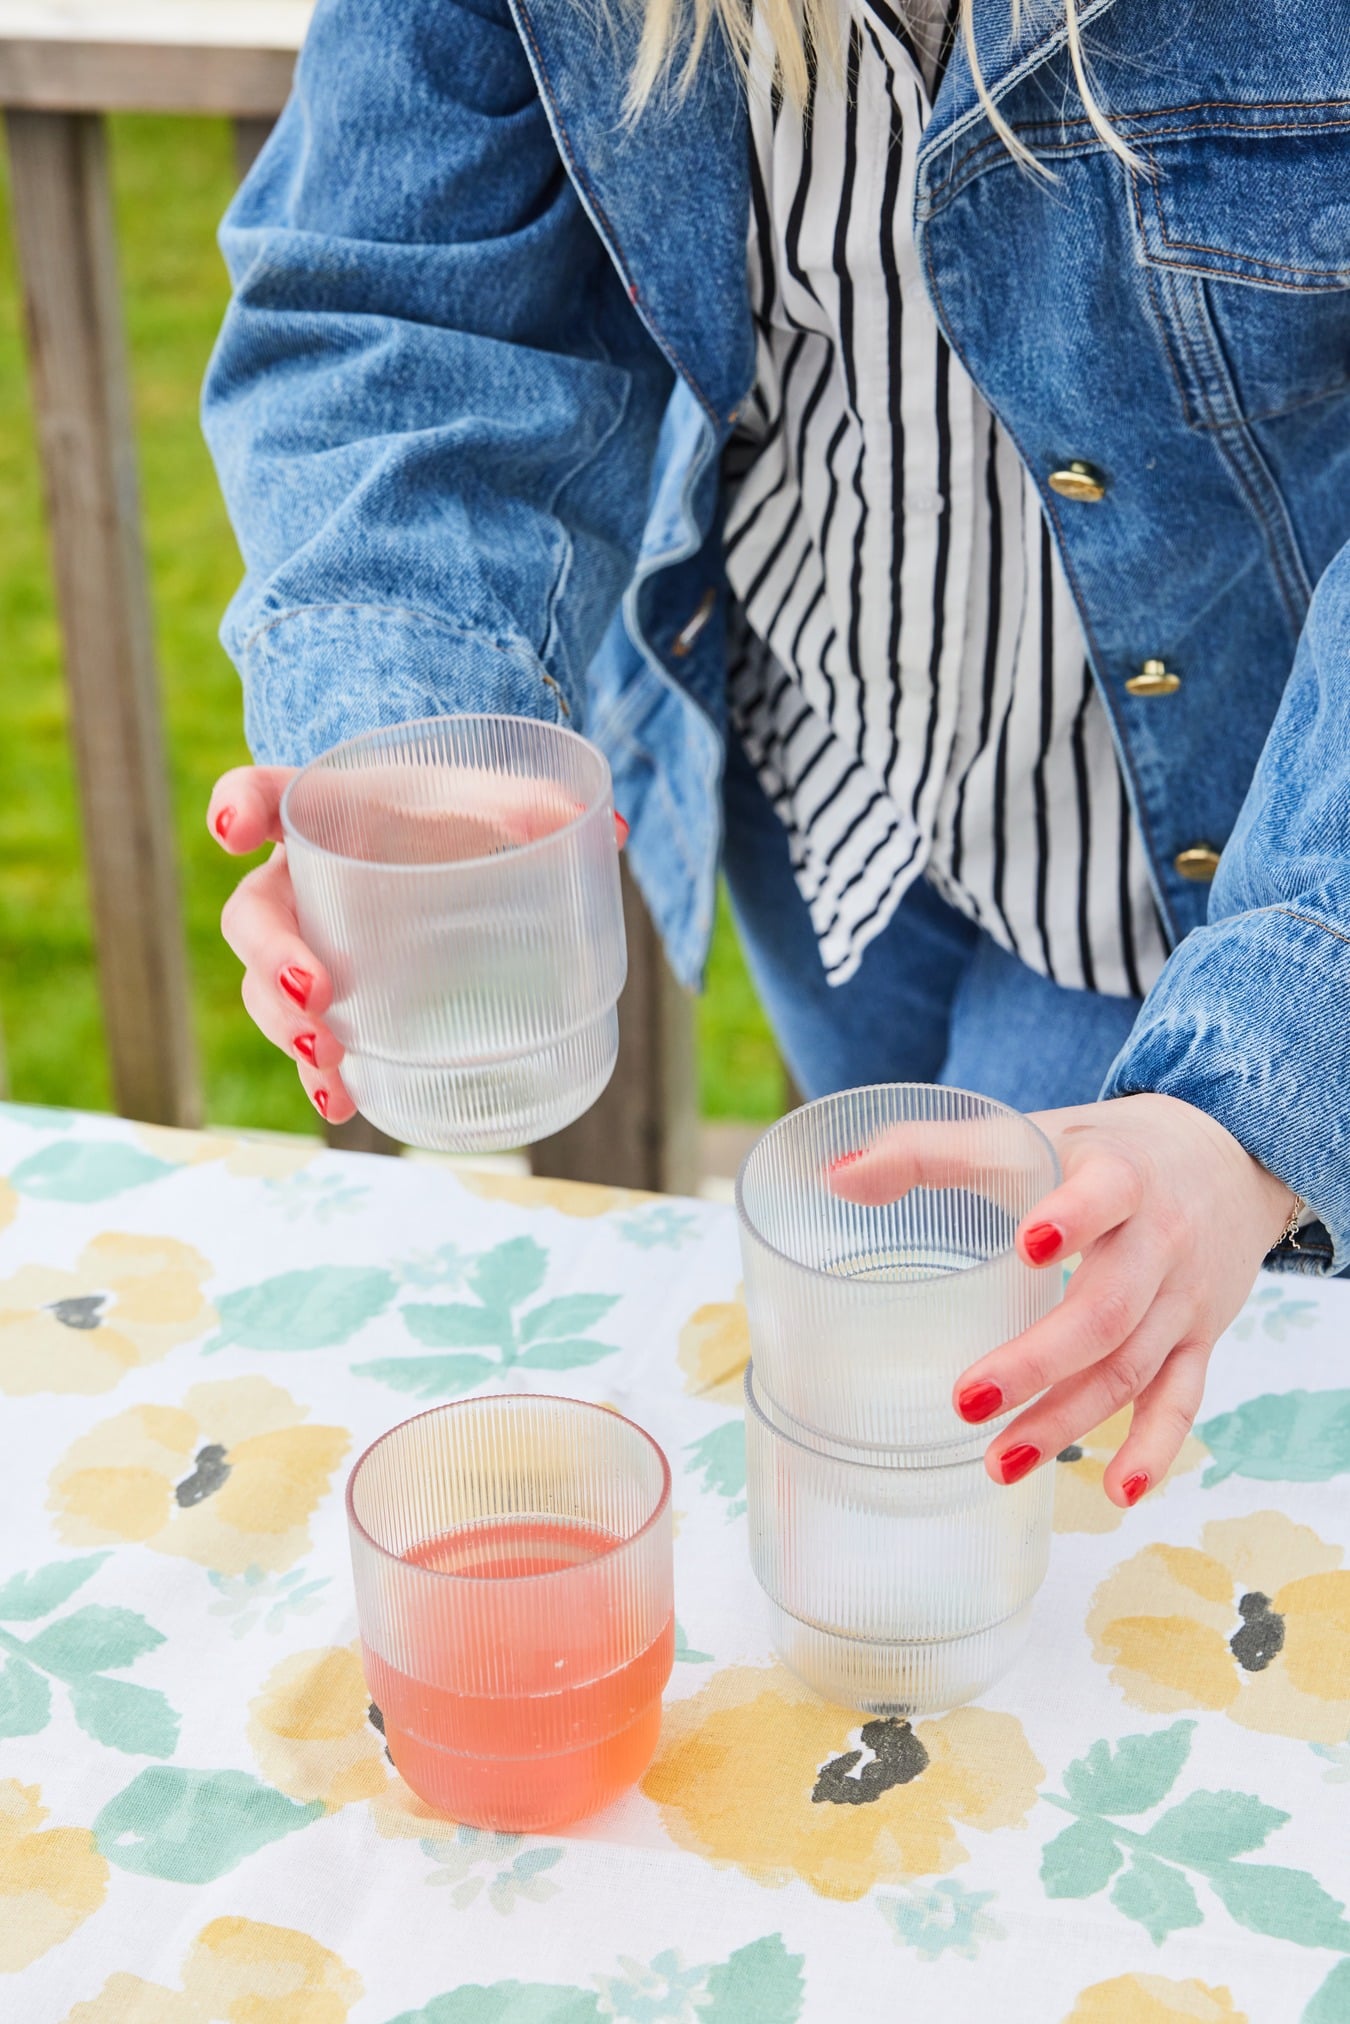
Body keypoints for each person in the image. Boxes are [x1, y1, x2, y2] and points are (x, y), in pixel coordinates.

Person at [201, 0, 1350, 1511]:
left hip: (1220, 836)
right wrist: (397, 738)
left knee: (982, 1460)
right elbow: (402, 305)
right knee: (888, 1380)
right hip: (829, 778)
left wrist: (1272, 1064)